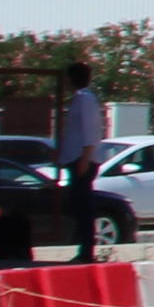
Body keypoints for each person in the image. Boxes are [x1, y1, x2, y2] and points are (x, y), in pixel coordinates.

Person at [55, 63, 111, 258]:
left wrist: (85, 158)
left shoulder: (85, 99)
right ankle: (84, 247)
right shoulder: (79, 99)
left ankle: (87, 249)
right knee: (77, 204)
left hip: (82, 159)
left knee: (82, 205)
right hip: (77, 158)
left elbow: (90, 129)